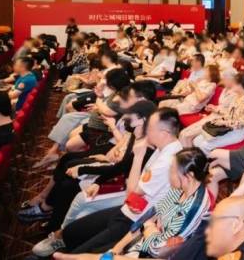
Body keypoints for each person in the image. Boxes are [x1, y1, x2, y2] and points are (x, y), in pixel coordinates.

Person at [59, 108, 184, 253]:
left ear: (164, 134)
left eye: (150, 128)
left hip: (133, 221)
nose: (146, 131)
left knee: (77, 249)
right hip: (127, 210)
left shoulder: (167, 161)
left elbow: (131, 194)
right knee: (71, 232)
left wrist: (138, 157)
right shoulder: (166, 147)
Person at [107, 148, 212, 258]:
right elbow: (149, 217)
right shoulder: (180, 188)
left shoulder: (192, 209)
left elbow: (157, 250)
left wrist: (149, 227)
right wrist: (117, 248)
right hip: (141, 245)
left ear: (189, 176)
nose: (169, 175)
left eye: (173, 171)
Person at [184, 72, 244, 155]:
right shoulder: (237, 96)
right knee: (197, 140)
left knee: (204, 145)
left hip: (237, 131)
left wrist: (223, 122)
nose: (232, 84)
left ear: (240, 85)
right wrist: (215, 109)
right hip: (227, 125)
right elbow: (229, 112)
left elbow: (242, 123)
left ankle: (205, 161)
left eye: (234, 83)